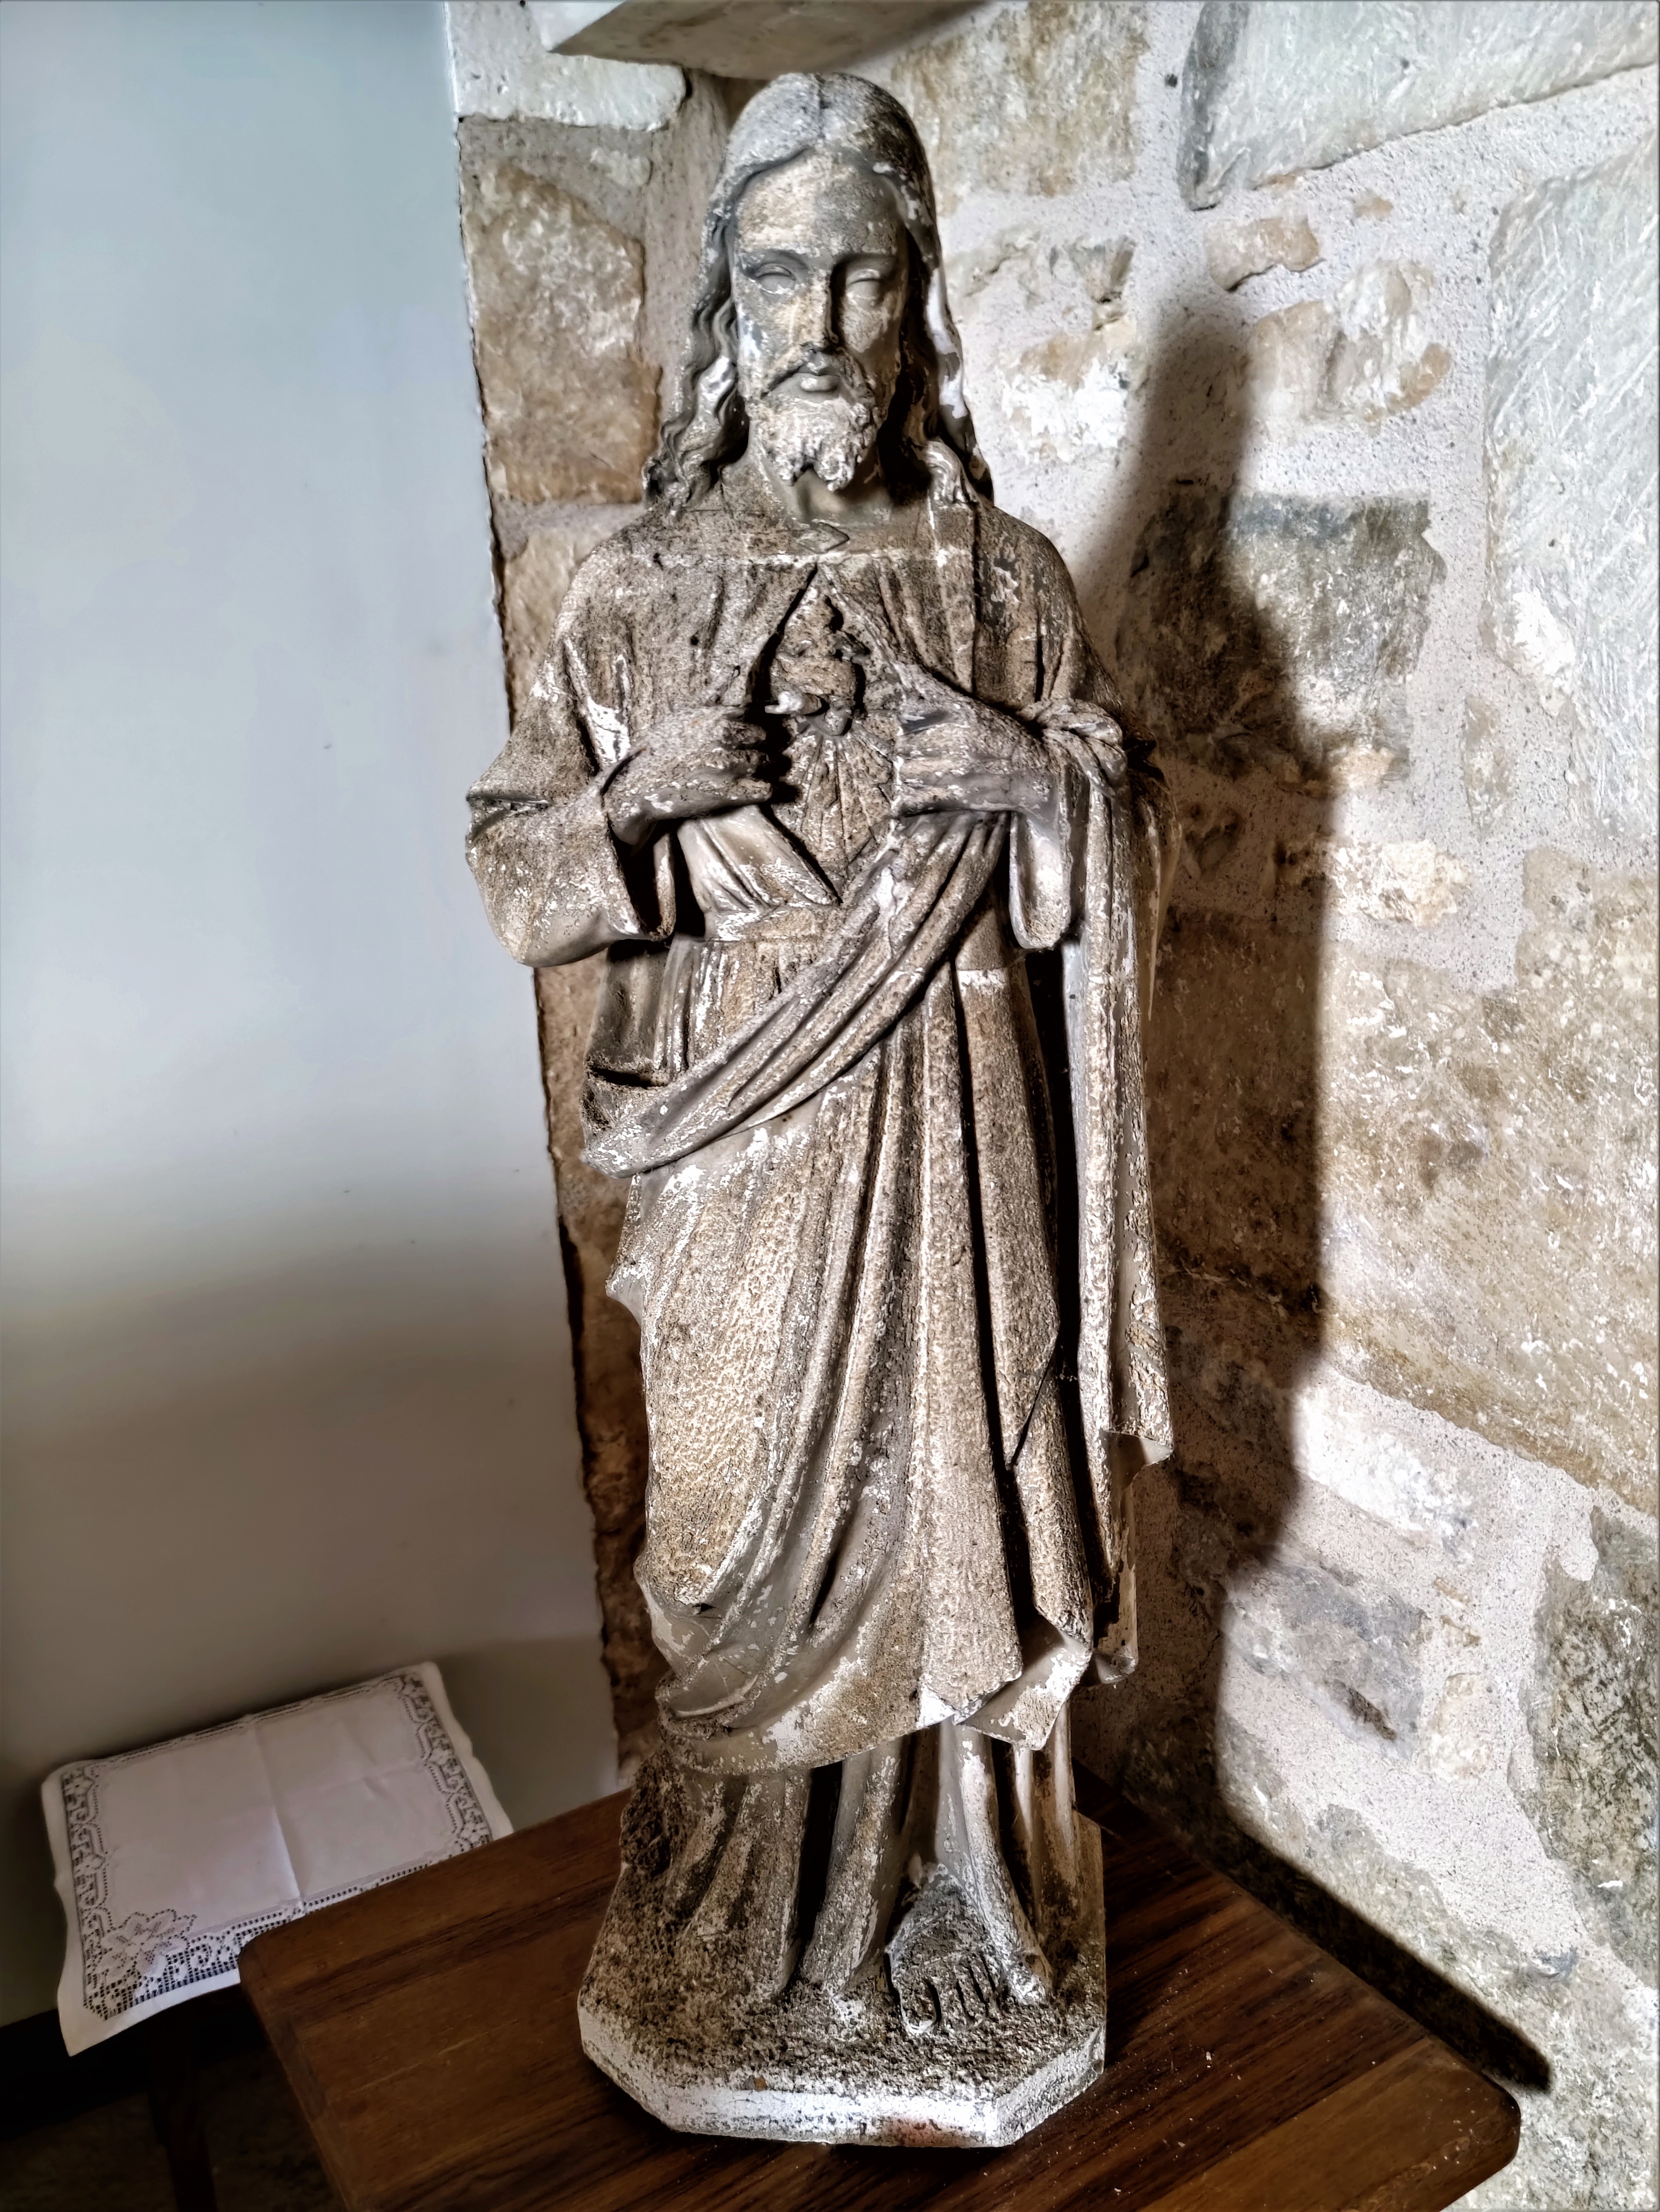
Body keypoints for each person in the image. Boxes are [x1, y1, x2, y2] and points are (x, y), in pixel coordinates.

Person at [467, 71, 1177, 2099]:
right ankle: (730, 1929)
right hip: (731, 1170)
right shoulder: (632, 587)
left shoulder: (1002, 580)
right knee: (722, 1533)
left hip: (956, 1142)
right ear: (728, 300)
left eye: (865, 277)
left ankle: (963, 1897)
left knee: (956, 1506)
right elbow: (512, 869)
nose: (824, 324)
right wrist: (634, 798)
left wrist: (1036, 781)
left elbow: (1125, 840)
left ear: (917, 298)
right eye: (781, 275)